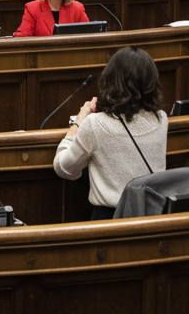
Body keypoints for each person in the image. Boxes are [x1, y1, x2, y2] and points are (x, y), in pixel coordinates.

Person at [53, 46, 168, 219]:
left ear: (111, 80)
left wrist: (78, 122)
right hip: (153, 214)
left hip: (111, 218)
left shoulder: (95, 124)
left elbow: (65, 168)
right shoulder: (161, 119)